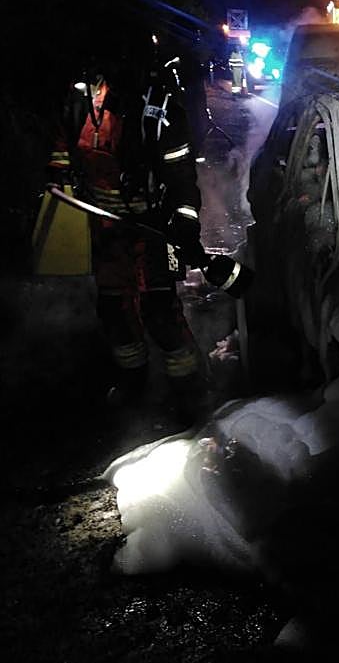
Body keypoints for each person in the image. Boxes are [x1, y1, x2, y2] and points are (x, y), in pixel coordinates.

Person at [47, 35, 232, 424]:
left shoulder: (160, 108)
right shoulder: (80, 99)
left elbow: (180, 176)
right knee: (114, 310)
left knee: (159, 312)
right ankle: (134, 382)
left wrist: (184, 221)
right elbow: (64, 143)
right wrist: (57, 170)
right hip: (104, 228)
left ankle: (189, 390)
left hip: (152, 228)